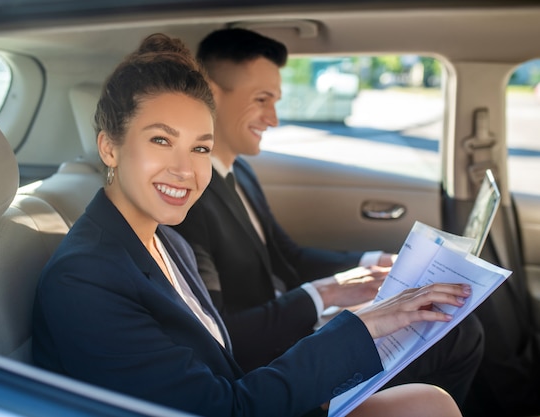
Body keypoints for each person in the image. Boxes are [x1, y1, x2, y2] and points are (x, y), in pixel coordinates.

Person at [31, 33, 466, 417]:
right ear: (109, 147)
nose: (186, 170)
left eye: (201, 148)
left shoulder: (168, 242)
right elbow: (220, 408)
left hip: (243, 395)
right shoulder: (84, 278)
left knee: (431, 402)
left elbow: (224, 362)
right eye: (161, 140)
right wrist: (362, 326)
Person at [172, 27, 484, 406]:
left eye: (276, 101)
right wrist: (325, 295)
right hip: (277, 364)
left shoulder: (238, 172)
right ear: (210, 93)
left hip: (302, 328)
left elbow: (288, 255)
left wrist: (375, 266)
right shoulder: (185, 200)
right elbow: (221, 332)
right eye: (262, 99)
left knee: (451, 320)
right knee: (457, 333)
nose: (273, 118)